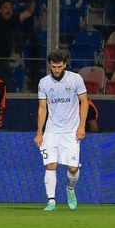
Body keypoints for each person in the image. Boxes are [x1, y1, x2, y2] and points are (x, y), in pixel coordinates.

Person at [35, 50, 88, 211]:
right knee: (51, 165)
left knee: (73, 168)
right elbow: (42, 107)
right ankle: (51, 201)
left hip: (71, 131)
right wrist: (39, 132)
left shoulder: (75, 79)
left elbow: (84, 102)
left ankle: (70, 189)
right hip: (51, 131)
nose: (56, 69)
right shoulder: (44, 83)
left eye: (59, 66)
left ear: (65, 64)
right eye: (53, 66)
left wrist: (82, 126)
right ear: (49, 65)